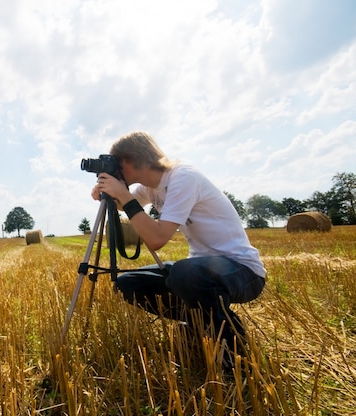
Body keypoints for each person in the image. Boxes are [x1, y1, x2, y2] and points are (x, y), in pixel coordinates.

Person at [92, 131, 266, 361]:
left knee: (184, 273)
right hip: (202, 268)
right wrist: (107, 193)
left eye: (116, 163)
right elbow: (126, 204)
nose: (115, 169)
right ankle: (198, 323)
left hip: (242, 270)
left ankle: (233, 351)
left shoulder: (183, 178)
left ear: (132, 159)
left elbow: (157, 239)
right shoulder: (149, 187)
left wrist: (123, 194)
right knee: (127, 283)